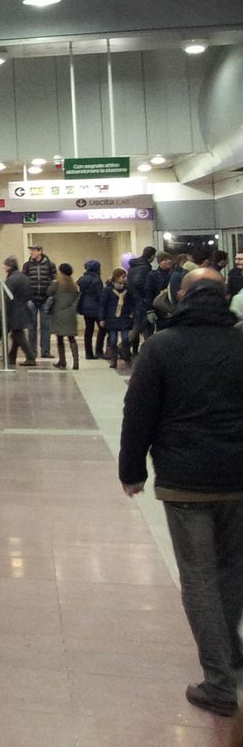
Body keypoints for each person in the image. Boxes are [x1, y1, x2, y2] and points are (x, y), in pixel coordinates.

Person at [119, 269, 243, 718]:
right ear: (225, 297)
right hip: (238, 480)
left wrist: (131, 470)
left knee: (199, 578)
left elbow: (139, 412)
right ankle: (229, 650)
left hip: (186, 479)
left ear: (181, 296)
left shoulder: (162, 345)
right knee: (232, 569)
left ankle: (219, 682)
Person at [23, 244, 56, 359]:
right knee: (32, 326)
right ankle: (32, 351)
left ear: (40, 251)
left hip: (45, 299)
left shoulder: (50, 265)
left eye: (33, 250)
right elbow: (24, 281)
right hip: (31, 299)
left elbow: (54, 281)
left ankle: (45, 351)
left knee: (46, 326)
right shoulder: (27, 266)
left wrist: (50, 296)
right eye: (31, 250)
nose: (31, 252)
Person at [3, 256, 36, 366]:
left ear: (9, 267)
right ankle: (11, 357)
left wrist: (5, 311)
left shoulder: (11, 279)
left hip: (14, 310)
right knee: (16, 334)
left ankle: (30, 357)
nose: (4, 268)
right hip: (24, 308)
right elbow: (30, 293)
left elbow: (8, 297)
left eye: (5, 266)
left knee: (18, 335)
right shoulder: (24, 277)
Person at [47, 262, 80, 370]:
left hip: (59, 313)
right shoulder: (73, 285)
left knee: (60, 338)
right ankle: (76, 362)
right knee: (71, 338)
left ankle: (62, 360)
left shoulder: (57, 283)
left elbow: (49, 292)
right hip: (71, 314)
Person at [103, 267, 136, 369]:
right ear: (116, 277)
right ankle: (114, 359)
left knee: (126, 338)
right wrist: (102, 318)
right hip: (112, 318)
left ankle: (125, 354)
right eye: (123, 277)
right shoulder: (108, 290)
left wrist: (132, 313)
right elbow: (103, 304)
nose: (125, 279)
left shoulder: (128, 290)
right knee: (113, 340)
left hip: (125, 317)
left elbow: (132, 302)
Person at [129, 246, 157, 355]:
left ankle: (129, 348)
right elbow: (139, 283)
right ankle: (148, 351)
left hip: (134, 300)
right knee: (146, 326)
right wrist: (148, 290)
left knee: (138, 325)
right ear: (152, 256)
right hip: (142, 300)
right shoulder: (145, 267)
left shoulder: (133, 267)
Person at [78, 259, 105, 360]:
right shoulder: (97, 280)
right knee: (102, 329)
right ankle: (99, 350)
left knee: (88, 330)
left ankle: (88, 353)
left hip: (85, 307)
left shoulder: (82, 279)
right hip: (96, 308)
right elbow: (100, 296)